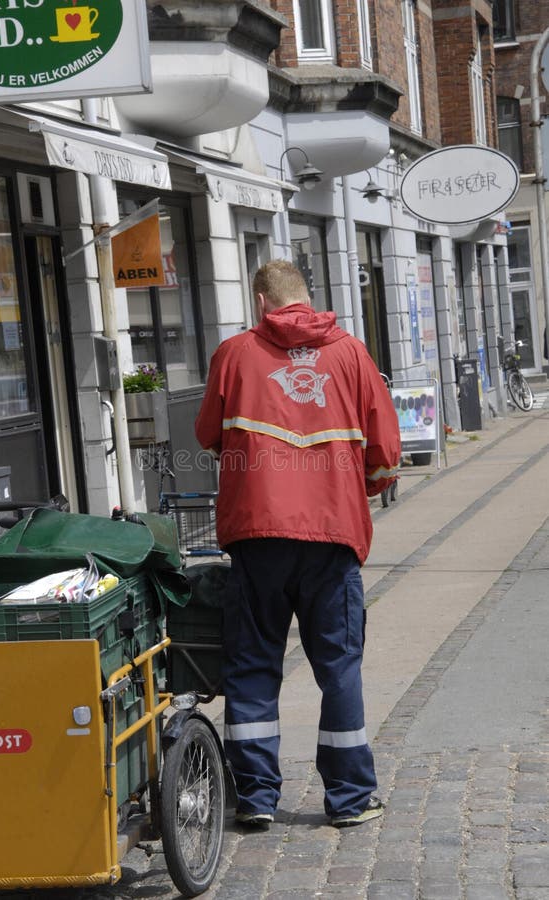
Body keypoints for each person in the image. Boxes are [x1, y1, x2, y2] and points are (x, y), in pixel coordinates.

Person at [195, 259, 401, 830]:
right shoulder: (352, 354)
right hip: (332, 536)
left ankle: (256, 797)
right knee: (338, 667)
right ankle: (350, 799)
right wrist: (359, 488)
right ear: (308, 300)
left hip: (257, 535)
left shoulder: (234, 354)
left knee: (253, 664)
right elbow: (385, 451)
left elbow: (208, 435)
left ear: (262, 301)